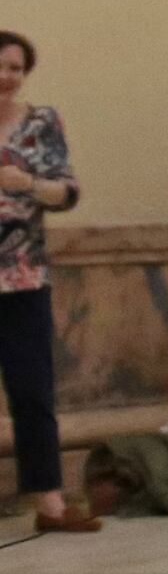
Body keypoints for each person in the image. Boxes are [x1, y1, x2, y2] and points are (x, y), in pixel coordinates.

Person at [0, 32, 98, 535]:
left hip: (22, 275)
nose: (6, 76)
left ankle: (52, 503)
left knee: (33, 391)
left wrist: (30, 185)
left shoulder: (42, 123)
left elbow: (68, 191)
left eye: (15, 68)